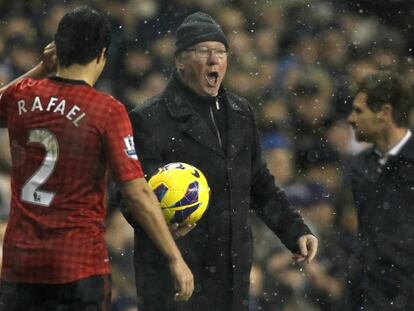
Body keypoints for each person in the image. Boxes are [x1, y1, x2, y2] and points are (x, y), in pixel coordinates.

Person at [0, 7, 193, 310]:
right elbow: (136, 191)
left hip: (20, 264)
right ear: (103, 54)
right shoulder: (106, 110)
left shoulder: (22, 96)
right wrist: (174, 256)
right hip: (76, 265)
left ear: (57, 49)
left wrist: (40, 68)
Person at [126, 11, 318, 311]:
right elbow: (132, 198)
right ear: (180, 61)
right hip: (176, 278)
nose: (214, 59)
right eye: (204, 51)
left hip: (231, 274)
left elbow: (258, 183)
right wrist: (172, 246)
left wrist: (295, 231)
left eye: (220, 51)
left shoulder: (241, 112)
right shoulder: (148, 119)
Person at [347, 71, 414, 310]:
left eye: (359, 111)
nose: (350, 119)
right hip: (369, 295)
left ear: (384, 113)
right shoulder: (359, 168)